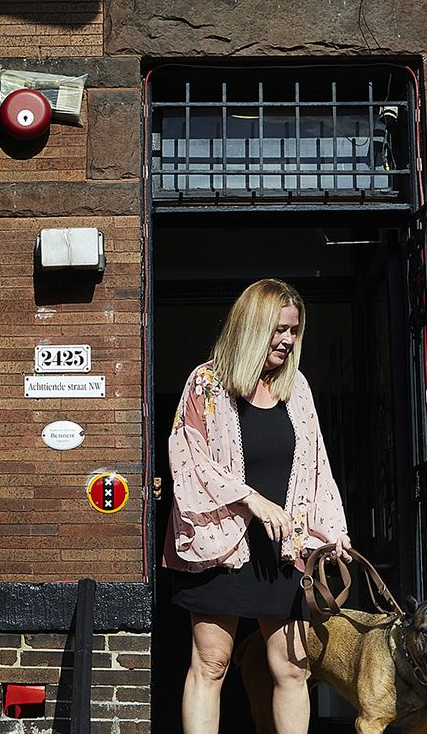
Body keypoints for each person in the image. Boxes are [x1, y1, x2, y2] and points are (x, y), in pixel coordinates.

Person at [165, 278, 350, 734]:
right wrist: (251, 499)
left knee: (292, 668)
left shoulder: (297, 390)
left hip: (284, 546)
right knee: (212, 664)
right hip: (221, 543)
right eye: (279, 330)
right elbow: (188, 457)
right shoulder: (206, 383)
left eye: (293, 331)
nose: (287, 340)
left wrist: (333, 532)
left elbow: (317, 467)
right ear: (252, 327)